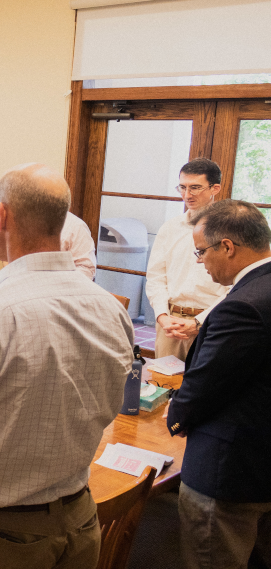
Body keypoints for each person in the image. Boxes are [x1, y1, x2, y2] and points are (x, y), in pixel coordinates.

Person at [0, 163, 133, 569]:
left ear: (1, 216)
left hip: (2, 533)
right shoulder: (111, 309)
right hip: (80, 517)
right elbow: (108, 406)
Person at [166, 199, 271, 569]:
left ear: (227, 246)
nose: (199, 261)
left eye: (201, 251)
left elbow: (207, 384)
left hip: (230, 471)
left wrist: (174, 417)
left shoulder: (243, 306)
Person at [145, 158, 230, 359]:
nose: (187, 195)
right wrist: (162, 316)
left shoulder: (230, 231)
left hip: (212, 325)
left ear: (214, 188)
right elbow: (156, 277)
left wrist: (199, 322)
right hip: (170, 325)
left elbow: (235, 287)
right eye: (182, 187)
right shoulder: (170, 228)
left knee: (202, 388)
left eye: (195, 188)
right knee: (162, 386)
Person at [61, 211, 97, 280]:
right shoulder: (34, 221)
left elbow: (86, 269)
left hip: (62, 288)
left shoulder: (75, 226)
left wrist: (58, 282)